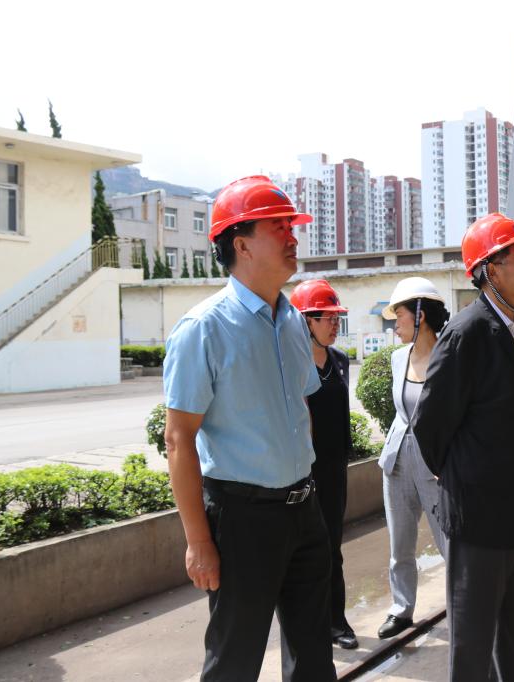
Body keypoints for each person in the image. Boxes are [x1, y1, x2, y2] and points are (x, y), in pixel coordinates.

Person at [163, 176, 335, 681]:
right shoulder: (204, 329)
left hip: (304, 510)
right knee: (235, 660)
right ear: (241, 245)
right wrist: (199, 541)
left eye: (292, 227)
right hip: (243, 519)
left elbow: (300, 406)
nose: (292, 237)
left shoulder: (293, 321)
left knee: (314, 656)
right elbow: (178, 439)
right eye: (278, 227)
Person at [412, 213, 514, 682]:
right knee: (473, 647)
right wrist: (464, 478)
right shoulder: (467, 332)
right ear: (491, 270)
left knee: (513, 640)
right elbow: (430, 424)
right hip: (479, 520)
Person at [375, 276, 450, 640]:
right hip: (397, 461)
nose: (395, 324)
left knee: (450, 541)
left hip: (436, 464)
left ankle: (465, 606)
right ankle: (401, 608)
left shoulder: (449, 358)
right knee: (400, 542)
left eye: (399, 315)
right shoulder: (397, 359)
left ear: (419, 315)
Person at [289, 279, 357, 651]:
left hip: (334, 470)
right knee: (303, 554)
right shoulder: (293, 366)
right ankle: (308, 627)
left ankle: (336, 621)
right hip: (303, 471)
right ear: (306, 322)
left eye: (336, 317)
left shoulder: (340, 361)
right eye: (326, 318)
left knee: (332, 547)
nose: (334, 325)